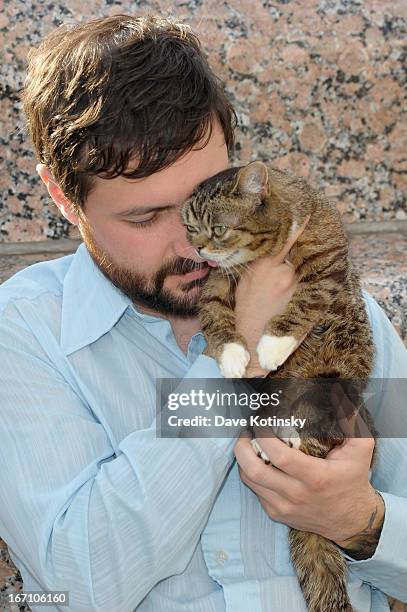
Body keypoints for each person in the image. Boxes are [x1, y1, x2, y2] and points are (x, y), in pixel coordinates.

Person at [0, 13, 406, 612]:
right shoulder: (27, 334)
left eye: (207, 195)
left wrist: (362, 522)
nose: (196, 244)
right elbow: (80, 586)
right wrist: (231, 358)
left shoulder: (336, 303)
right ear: (64, 198)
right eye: (145, 218)